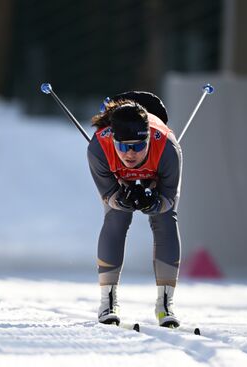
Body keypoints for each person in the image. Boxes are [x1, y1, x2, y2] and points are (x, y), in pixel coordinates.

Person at [86, 91, 182, 327]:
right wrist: (122, 199)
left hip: (156, 171)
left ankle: (165, 304)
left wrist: (155, 202)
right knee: (117, 217)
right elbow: (109, 196)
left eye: (138, 146)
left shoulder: (168, 149)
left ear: (148, 139)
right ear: (113, 140)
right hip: (118, 177)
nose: (130, 153)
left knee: (164, 218)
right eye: (123, 146)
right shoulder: (99, 147)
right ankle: (107, 301)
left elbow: (169, 198)